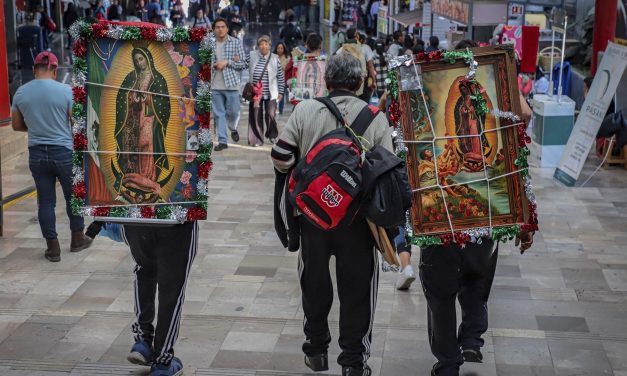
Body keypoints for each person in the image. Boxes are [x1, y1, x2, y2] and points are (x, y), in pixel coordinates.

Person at [271, 53, 392, 376]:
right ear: (359, 83)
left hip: (312, 217)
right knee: (357, 290)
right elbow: (389, 171)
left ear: (327, 82)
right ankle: (353, 362)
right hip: (358, 223)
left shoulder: (306, 110)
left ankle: (316, 349)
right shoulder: (374, 117)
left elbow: (281, 157)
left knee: (314, 282)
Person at [11, 51, 93, 262]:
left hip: (37, 153)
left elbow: (17, 125)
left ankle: (53, 248)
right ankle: (77, 239)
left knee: (45, 202)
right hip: (64, 152)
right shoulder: (67, 91)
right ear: (55, 70)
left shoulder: (21, 93)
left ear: (33, 70)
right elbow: (75, 123)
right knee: (72, 197)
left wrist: (39, 127)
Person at [123, 220, 199, 376]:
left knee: (143, 270)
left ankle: (142, 341)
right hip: (176, 222)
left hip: (136, 218)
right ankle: (162, 362)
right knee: (172, 289)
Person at [114, 47, 170, 203]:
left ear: (148, 58)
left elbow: (164, 103)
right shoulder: (132, 77)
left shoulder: (157, 78)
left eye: (141, 58)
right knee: (133, 148)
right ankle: (134, 182)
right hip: (132, 119)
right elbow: (121, 97)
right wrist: (131, 97)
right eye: (136, 60)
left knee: (146, 146)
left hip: (149, 119)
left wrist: (149, 98)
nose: (139, 62)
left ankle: (147, 181)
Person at [211, 18, 248, 151]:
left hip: (232, 85)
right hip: (215, 85)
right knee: (219, 114)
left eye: (222, 27)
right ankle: (222, 140)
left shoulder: (236, 43)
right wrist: (213, 65)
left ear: (227, 29)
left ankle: (232, 128)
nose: (220, 29)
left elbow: (244, 63)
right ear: (214, 29)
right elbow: (203, 62)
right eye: (217, 27)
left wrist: (228, 62)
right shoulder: (209, 44)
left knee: (234, 112)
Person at [247, 35, 285, 146]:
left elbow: (280, 76)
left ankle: (272, 135)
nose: (264, 46)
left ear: (269, 46)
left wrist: (281, 92)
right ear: (258, 46)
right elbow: (242, 65)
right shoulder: (252, 55)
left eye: (266, 44)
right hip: (256, 94)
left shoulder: (274, 58)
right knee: (256, 115)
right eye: (261, 44)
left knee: (270, 114)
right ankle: (257, 139)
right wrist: (232, 61)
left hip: (271, 92)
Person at [337, 28, 377, 102]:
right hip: (362, 81)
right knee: (363, 103)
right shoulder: (364, 48)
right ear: (357, 36)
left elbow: (336, 62)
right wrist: (374, 81)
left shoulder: (342, 48)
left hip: (346, 81)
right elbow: (370, 66)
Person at [275, 41, 291, 115]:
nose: (280, 50)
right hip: (274, 80)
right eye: (278, 48)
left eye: (281, 48)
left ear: (284, 49)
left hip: (283, 79)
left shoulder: (288, 58)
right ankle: (273, 108)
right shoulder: (273, 57)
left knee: (282, 94)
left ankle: (280, 110)